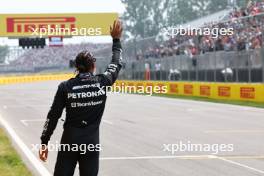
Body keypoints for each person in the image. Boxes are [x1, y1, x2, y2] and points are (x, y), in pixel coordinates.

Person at [39, 20, 123, 176]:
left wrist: (44, 142)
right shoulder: (102, 82)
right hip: (91, 144)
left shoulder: (65, 87)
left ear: (76, 67)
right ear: (93, 66)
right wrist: (116, 40)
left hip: (70, 142)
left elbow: (53, 116)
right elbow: (116, 63)